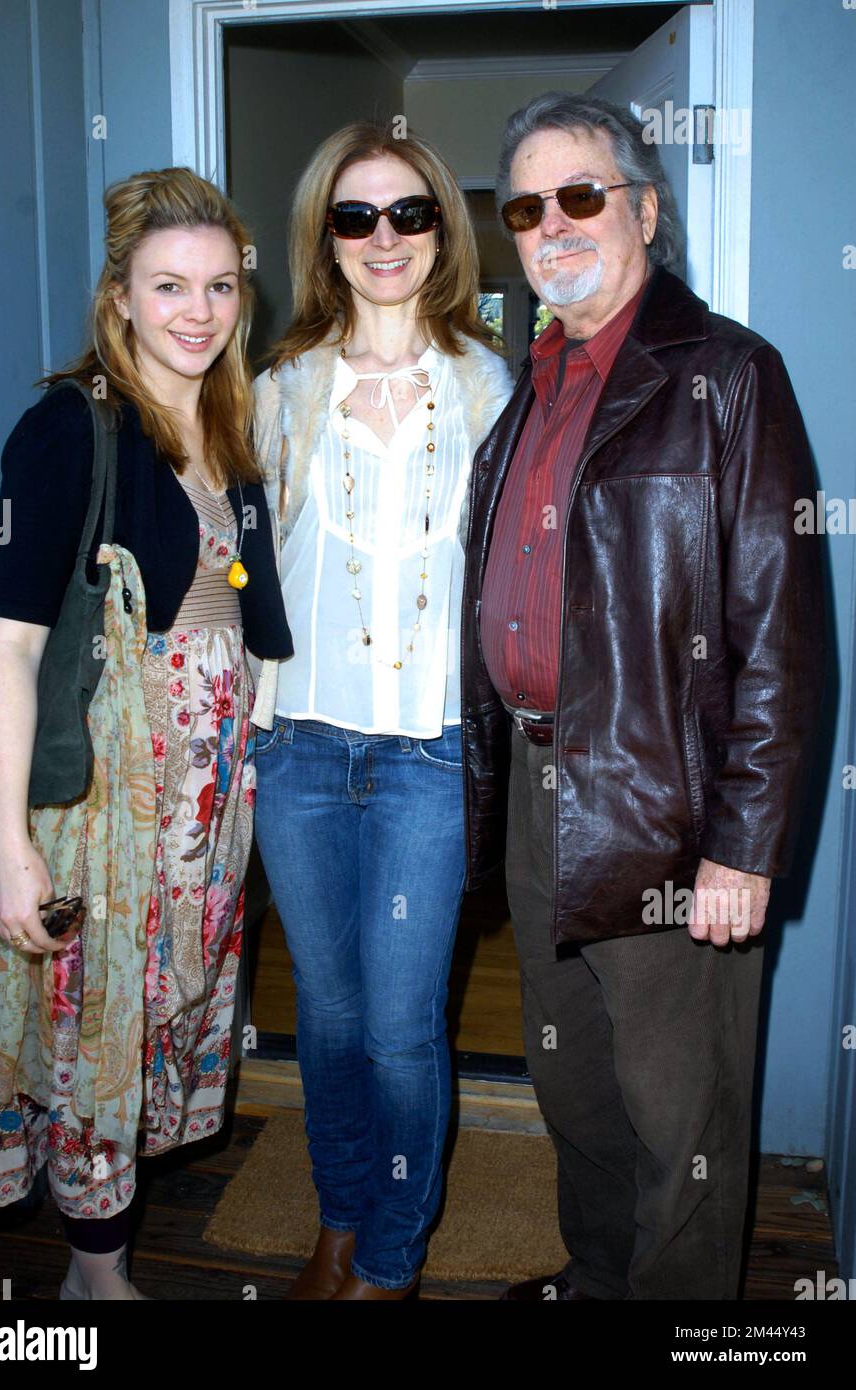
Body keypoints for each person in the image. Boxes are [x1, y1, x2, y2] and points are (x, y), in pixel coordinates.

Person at [460, 92, 825, 1301]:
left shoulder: (727, 376)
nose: (552, 225)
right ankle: (597, 1279)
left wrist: (743, 847)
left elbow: (781, 633)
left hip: (666, 805)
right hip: (535, 788)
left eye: (581, 196)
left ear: (646, 210)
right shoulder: (530, 388)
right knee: (577, 1091)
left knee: (686, 1123)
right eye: (526, 205)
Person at [0, 167, 292, 1299]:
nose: (197, 312)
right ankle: (93, 1280)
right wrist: (11, 846)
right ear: (120, 297)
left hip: (210, 806)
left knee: (162, 1019)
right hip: (110, 805)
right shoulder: (71, 426)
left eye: (217, 287)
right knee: (95, 1022)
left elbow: (242, 606)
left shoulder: (231, 425)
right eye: (168, 287)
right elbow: (8, 646)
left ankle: (105, 1254)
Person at [251, 121, 511, 1300]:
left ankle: (393, 1260)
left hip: (430, 759)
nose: (384, 238)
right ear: (326, 238)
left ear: (439, 229)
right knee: (329, 1017)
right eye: (355, 217)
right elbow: (232, 569)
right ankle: (341, 1219)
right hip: (298, 751)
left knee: (404, 1028)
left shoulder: (492, 385)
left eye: (408, 212)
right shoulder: (278, 388)